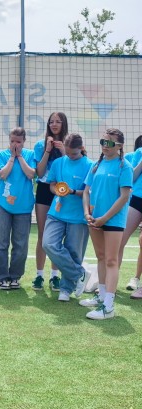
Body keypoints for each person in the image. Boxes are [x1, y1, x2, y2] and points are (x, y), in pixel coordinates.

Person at [79, 129, 132, 320]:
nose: (104, 146)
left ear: (119, 146)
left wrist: (105, 218)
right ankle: (101, 297)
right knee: (101, 257)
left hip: (113, 221)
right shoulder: (96, 165)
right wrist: (87, 213)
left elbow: (124, 197)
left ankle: (108, 306)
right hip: (95, 219)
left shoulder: (124, 167)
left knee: (111, 260)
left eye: (109, 143)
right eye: (103, 142)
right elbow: (86, 191)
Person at [41, 133, 93, 302]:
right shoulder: (58, 163)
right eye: (68, 152)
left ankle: (66, 289)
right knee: (48, 243)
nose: (70, 156)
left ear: (81, 149)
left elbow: (88, 192)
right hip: (56, 212)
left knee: (74, 252)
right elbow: (52, 184)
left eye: (74, 153)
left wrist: (72, 191)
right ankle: (80, 274)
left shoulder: (90, 165)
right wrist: (57, 190)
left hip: (78, 216)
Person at [0, 127, 37, 290]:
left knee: (20, 244)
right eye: (12, 141)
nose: (15, 144)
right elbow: (3, 174)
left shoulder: (30, 155)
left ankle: (15, 276)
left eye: (18, 141)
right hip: (3, 205)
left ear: (24, 141)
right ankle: (1, 277)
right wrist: (12, 157)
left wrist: (20, 157)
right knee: (0, 242)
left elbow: (31, 174)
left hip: (23, 206)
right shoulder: (1, 155)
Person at [32, 112, 69, 291]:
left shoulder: (69, 144)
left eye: (58, 122)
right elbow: (39, 172)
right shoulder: (40, 145)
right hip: (44, 190)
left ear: (63, 124)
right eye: (51, 122)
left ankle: (55, 276)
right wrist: (47, 150)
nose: (54, 124)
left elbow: (72, 168)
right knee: (42, 234)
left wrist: (63, 151)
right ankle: (39, 275)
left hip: (61, 190)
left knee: (57, 236)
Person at [120, 134, 142, 296]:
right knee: (120, 239)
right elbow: (132, 177)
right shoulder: (139, 152)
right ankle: (107, 284)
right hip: (136, 199)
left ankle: (137, 280)